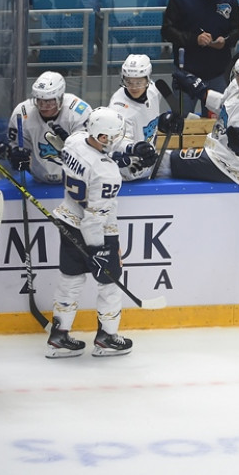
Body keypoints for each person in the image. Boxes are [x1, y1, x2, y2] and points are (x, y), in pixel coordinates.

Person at [47, 108, 153, 358]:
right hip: (97, 232)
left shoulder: (73, 142)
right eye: (114, 136)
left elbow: (88, 157)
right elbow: (95, 218)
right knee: (109, 285)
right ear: (103, 137)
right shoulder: (107, 173)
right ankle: (106, 338)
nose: (117, 140)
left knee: (70, 282)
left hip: (68, 220)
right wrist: (97, 249)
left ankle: (59, 336)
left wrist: (125, 155)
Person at [168, 50, 239, 184]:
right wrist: (199, 90)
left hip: (234, 168)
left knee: (169, 162)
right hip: (219, 151)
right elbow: (224, 106)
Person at [161, 0, 239, 116]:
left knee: (218, 123)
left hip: (218, 74)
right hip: (187, 73)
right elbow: (167, 31)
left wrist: (226, 40)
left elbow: (238, 29)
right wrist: (194, 39)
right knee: (182, 122)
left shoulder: (229, 0)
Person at [106, 54, 184, 181]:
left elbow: (147, 116)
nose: (134, 87)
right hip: (128, 167)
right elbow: (116, 141)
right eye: (129, 81)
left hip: (152, 159)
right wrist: (135, 148)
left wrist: (165, 120)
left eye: (139, 82)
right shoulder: (118, 108)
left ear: (148, 79)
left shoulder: (153, 90)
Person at [6, 72, 92, 184]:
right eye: (39, 101)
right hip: (38, 179)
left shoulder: (79, 112)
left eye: (48, 102)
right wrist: (16, 156)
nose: (43, 107)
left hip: (76, 180)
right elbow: (16, 147)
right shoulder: (22, 113)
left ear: (60, 98)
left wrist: (72, 145)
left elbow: (91, 151)